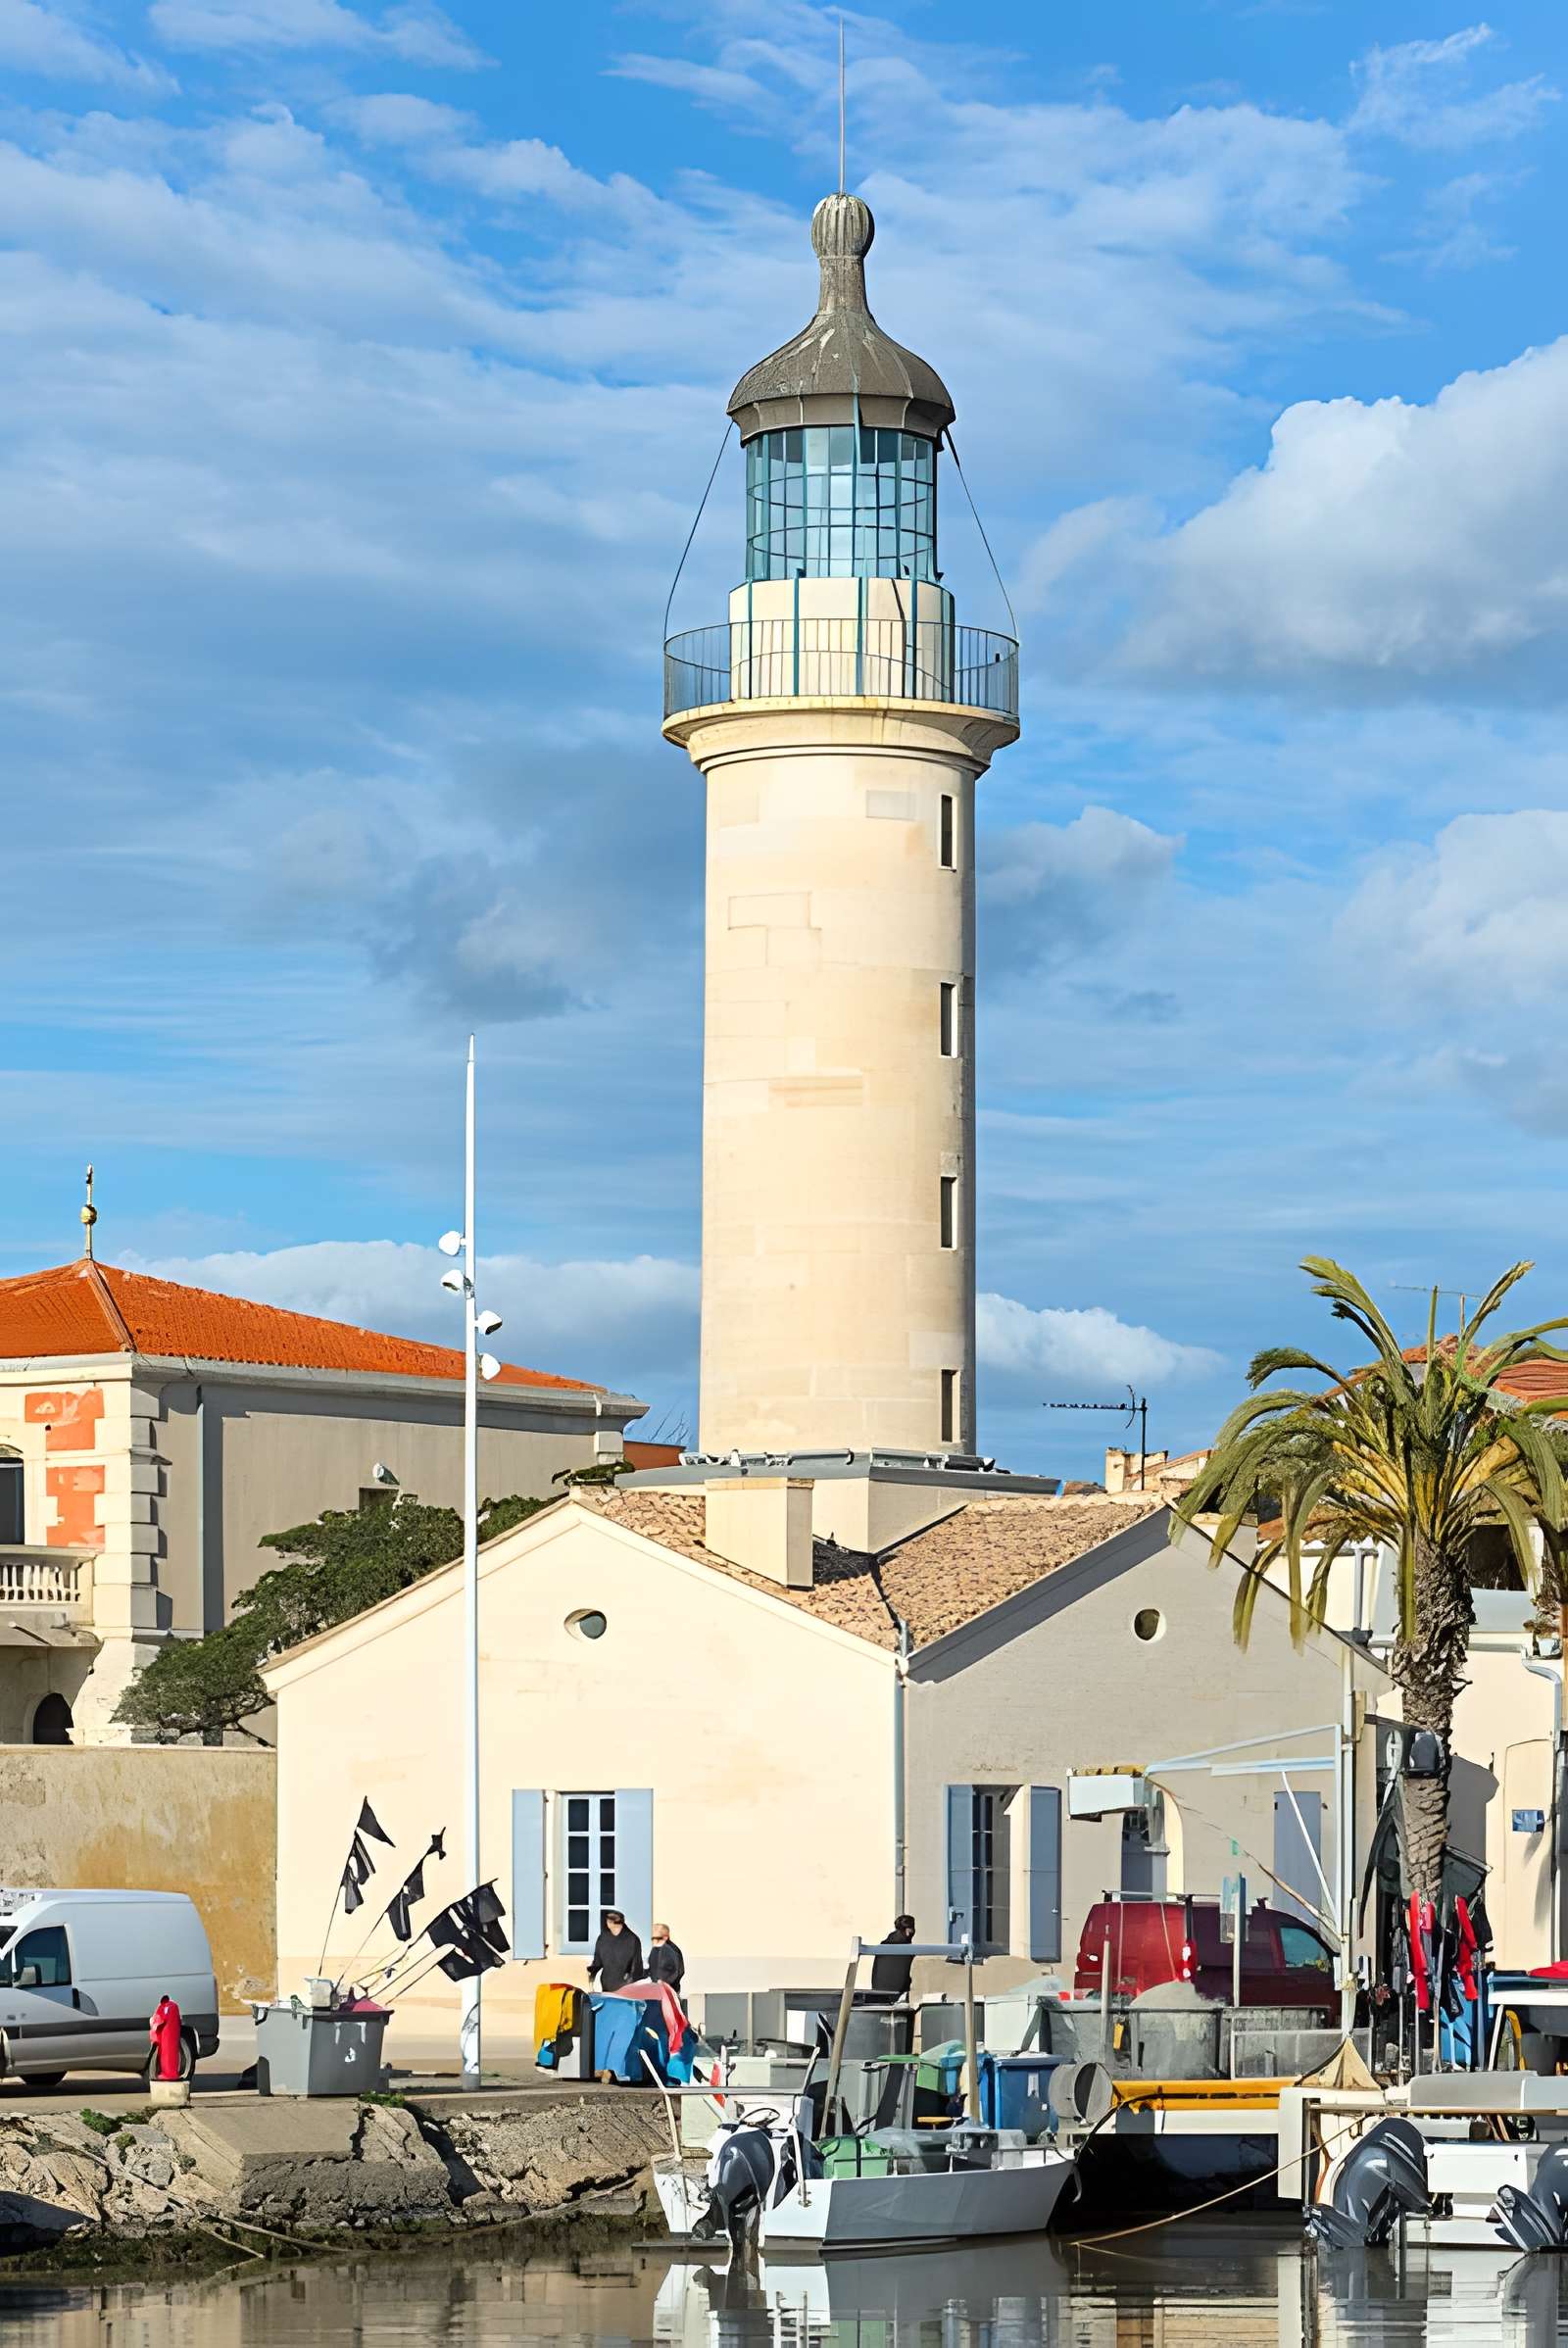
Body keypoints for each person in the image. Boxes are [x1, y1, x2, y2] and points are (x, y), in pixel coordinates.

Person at [587, 1908, 644, 1993]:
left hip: (626, 1987)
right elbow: (597, 1962)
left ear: (609, 1923)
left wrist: (632, 1984)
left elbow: (637, 1966)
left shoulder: (633, 1940)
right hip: (606, 1985)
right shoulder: (603, 1939)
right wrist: (591, 1974)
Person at [867, 1914, 916, 2004]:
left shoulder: (884, 1945)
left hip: (878, 1997)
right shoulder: (906, 1949)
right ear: (908, 1931)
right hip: (897, 1999)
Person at [648, 1922, 685, 1992]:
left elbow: (679, 1971)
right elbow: (652, 1969)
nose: (654, 1941)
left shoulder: (673, 1950)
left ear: (665, 1937)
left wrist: (666, 1983)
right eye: (653, 1938)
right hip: (657, 1990)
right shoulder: (655, 1949)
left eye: (657, 1938)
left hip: (669, 1991)